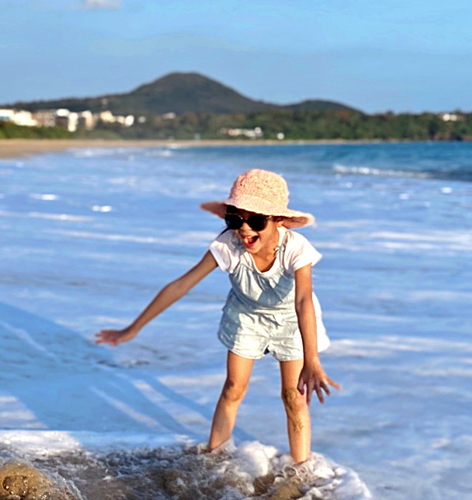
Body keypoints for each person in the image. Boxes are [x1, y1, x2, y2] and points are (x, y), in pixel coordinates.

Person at [95, 169, 339, 461]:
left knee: (294, 397)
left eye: (257, 220)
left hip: (291, 321)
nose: (245, 229)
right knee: (234, 387)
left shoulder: (296, 249)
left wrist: (312, 359)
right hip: (246, 316)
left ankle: (301, 472)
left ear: (279, 221)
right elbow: (181, 285)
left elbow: (302, 301)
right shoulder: (229, 244)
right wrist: (133, 328)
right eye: (235, 219)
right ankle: (214, 461)